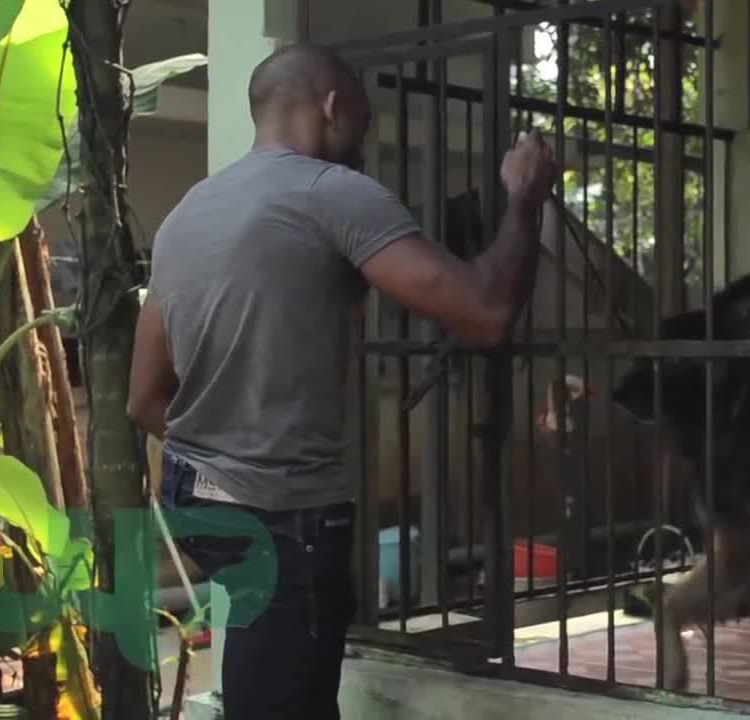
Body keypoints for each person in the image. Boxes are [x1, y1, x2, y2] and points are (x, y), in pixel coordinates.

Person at [126, 42, 556, 719]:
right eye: (362, 123)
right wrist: (524, 201)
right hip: (284, 513)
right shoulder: (334, 193)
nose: (364, 141)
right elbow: (487, 314)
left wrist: (220, 455)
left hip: (194, 496)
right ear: (332, 108)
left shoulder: (188, 212)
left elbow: (143, 397)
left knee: (264, 659)